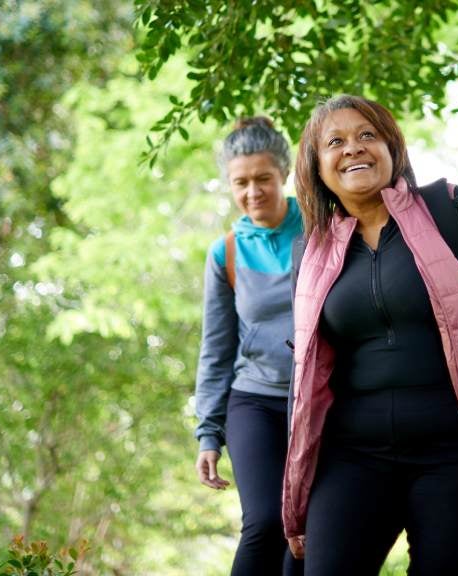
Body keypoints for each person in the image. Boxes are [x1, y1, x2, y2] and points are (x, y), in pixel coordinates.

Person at [282, 95, 458, 575]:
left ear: (391, 146)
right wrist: (298, 483)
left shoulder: (450, 210)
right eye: (335, 142)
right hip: (352, 456)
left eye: (367, 135)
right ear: (316, 166)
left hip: (457, 456)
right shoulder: (312, 248)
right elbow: (304, 373)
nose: (353, 149)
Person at [194, 117, 304, 576]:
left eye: (263, 179)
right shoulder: (227, 253)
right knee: (265, 520)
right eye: (241, 182)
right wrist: (208, 433)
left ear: (284, 174)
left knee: (310, 528)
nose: (253, 192)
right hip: (254, 399)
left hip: (319, 402)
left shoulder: (323, 226)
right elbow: (216, 349)